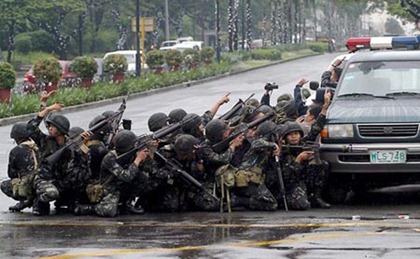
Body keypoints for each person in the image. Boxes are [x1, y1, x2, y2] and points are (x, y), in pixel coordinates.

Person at [27, 103, 91, 215]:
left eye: (53, 126)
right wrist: (47, 109)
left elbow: (83, 163)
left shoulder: (70, 143)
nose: (50, 128)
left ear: (61, 130)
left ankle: (71, 200)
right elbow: (30, 128)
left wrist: (84, 144)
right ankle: (39, 201)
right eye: (49, 126)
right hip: (44, 179)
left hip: (60, 180)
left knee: (82, 174)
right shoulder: (45, 141)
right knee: (51, 193)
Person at [74, 130, 149, 217]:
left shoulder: (130, 154)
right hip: (110, 189)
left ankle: (127, 204)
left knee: (143, 177)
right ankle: (88, 208)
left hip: (122, 186)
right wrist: (138, 159)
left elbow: (140, 170)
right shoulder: (110, 158)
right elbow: (126, 176)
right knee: (109, 212)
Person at [279, 91, 332, 210]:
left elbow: (317, 127)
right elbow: (286, 177)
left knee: (322, 165)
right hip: (291, 184)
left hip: (303, 179)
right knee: (301, 205)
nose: (294, 137)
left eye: (296, 134)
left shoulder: (302, 143)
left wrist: (325, 107)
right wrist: (298, 160)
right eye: (290, 135)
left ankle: (315, 196)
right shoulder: (282, 151)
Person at [1, 122, 39, 212]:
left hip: (28, 185)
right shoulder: (38, 147)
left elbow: (12, 173)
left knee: (5, 185)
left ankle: (25, 200)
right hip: (43, 183)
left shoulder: (16, 151)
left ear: (17, 138)